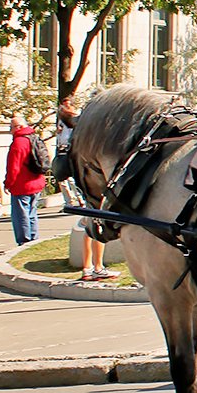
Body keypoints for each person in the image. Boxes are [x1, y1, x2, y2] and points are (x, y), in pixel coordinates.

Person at [57, 100, 109, 281]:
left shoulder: (65, 132)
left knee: (91, 224)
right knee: (95, 224)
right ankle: (95, 267)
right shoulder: (79, 132)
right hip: (88, 182)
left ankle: (91, 267)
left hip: (81, 180)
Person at [4, 112, 45, 246]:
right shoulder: (34, 138)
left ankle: (24, 240)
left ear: (18, 127)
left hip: (22, 185)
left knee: (21, 215)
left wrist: (8, 183)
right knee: (32, 212)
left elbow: (13, 168)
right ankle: (34, 238)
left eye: (11, 127)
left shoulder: (19, 143)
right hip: (37, 182)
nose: (10, 130)